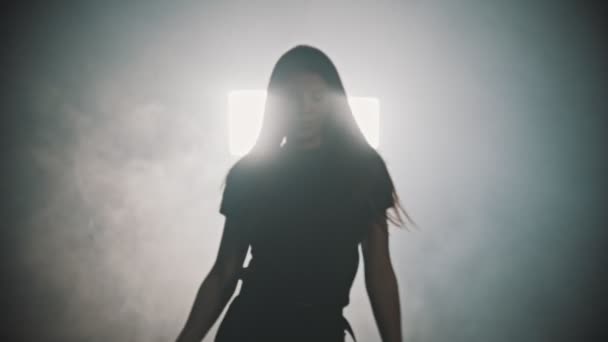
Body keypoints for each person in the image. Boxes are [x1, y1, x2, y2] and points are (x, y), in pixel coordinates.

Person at [176, 45, 416, 342]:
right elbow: (225, 271)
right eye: (292, 97)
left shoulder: (364, 171)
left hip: (320, 329)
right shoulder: (251, 173)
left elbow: (379, 270)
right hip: (250, 326)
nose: (305, 108)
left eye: (316, 97)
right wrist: (186, 338)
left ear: (333, 101)